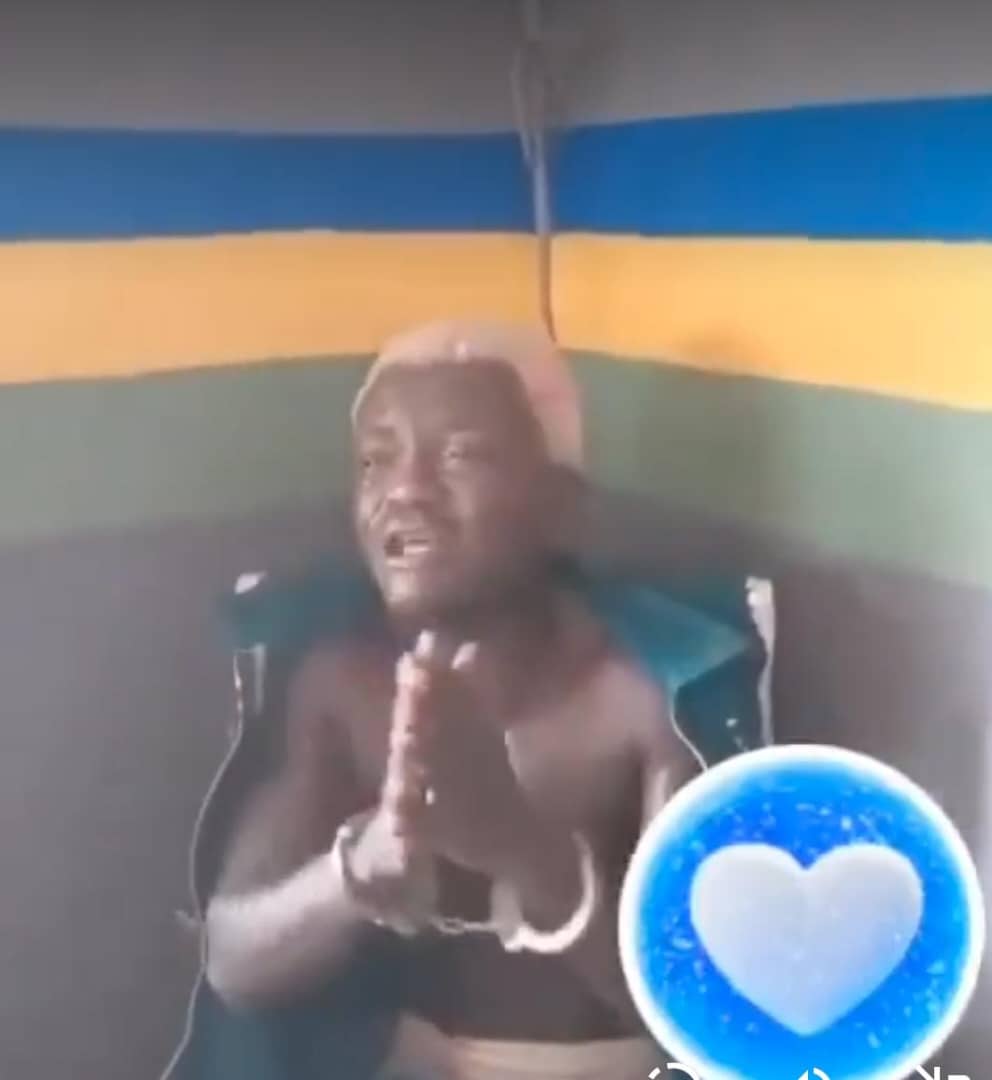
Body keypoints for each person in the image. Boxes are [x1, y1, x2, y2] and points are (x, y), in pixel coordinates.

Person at [171, 321, 773, 1080]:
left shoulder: (644, 699)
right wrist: (360, 868)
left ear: (559, 506)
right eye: (376, 460)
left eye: (460, 455)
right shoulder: (340, 685)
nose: (404, 491)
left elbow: (703, 1007)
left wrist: (527, 851)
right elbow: (233, 960)